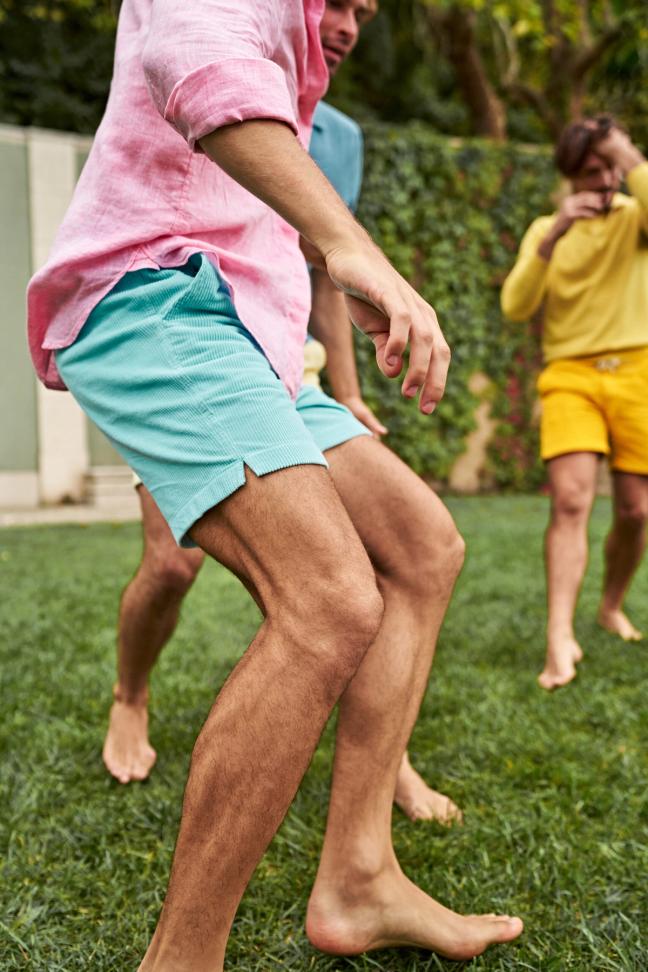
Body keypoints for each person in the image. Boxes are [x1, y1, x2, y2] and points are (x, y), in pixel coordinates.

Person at [28, 0, 523, 965]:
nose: (348, 19)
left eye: (365, 10)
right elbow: (194, 54)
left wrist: (342, 362)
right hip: (157, 293)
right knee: (328, 598)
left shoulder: (307, 89)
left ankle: (358, 878)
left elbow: (294, 243)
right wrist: (357, 244)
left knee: (423, 547)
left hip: (259, 344)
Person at [103, 6, 462, 828]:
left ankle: (383, 763)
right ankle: (131, 694)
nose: (345, 24)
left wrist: (348, 387)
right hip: (184, 337)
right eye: (334, 1)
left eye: (364, 12)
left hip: (283, 352)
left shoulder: (338, 134)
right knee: (175, 568)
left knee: (386, 562)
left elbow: (327, 265)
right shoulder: (206, 42)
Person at [501, 117, 648, 691]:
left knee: (636, 511)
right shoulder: (547, 227)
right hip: (569, 375)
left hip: (637, 371)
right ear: (568, 179)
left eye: (611, 169)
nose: (606, 182)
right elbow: (516, 305)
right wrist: (555, 231)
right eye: (592, 174)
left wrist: (625, 154)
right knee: (569, 501)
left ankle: (610, 605)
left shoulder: (636, 218)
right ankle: (559, 636)